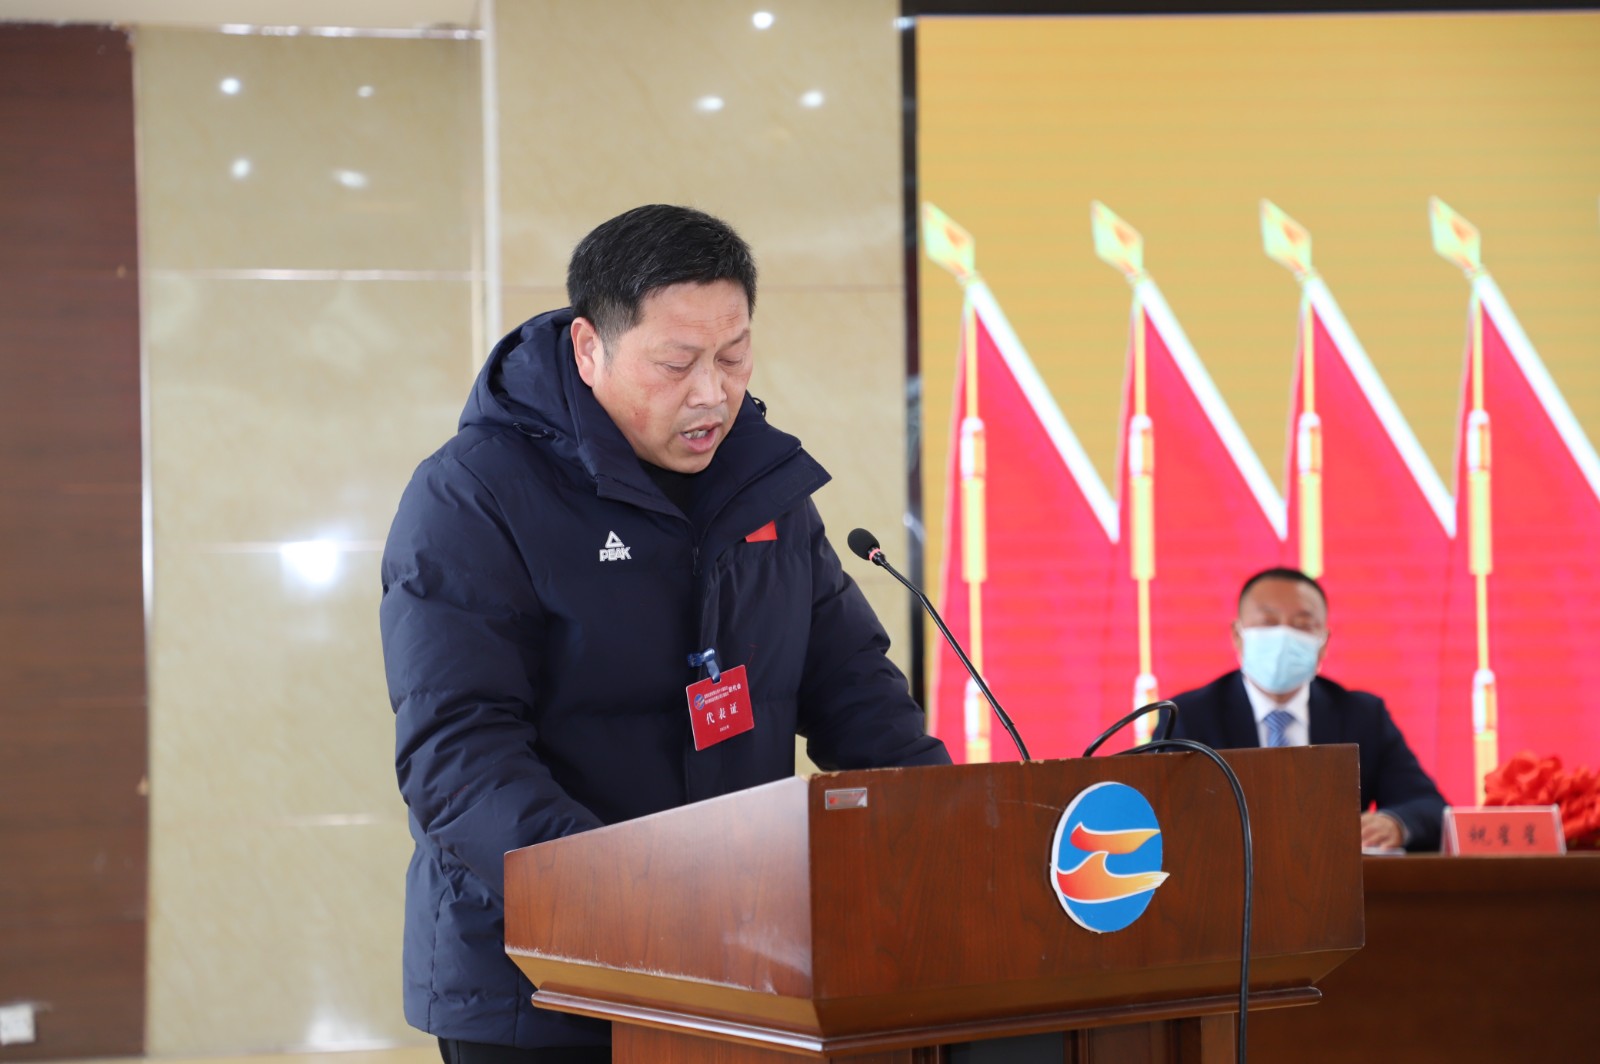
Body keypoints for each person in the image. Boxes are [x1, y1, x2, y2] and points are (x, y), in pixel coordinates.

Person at [379, 204, 949, 1061]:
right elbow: (458, 756)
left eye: (734, 355)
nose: (712, 392)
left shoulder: (762, 482)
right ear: (589, 349)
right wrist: (633, 900)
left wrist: (955, 831)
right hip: (541, 988)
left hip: (734, 968)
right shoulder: (474, 496)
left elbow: (853, 690)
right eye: (677, 363)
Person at [1168, 567, 1446, 852]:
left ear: (1323, 643)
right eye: (1268, 622)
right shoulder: (1188, 717)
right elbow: (1160, 814)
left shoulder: (1362, 715)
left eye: (1302, 625)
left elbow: (1429, 807)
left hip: (1331, 875)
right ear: (1237, 635)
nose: (1284, 636)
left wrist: (1395, 823)